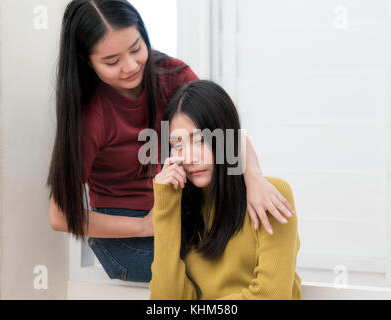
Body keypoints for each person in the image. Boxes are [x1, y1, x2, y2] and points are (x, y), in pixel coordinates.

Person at [47, 0, 295, 283]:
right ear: (84, 59)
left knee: (252, 246)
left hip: (183, 209)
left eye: (136, 48)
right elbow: (60, 216)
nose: (130, 66)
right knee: (212, 271)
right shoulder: (89, 116)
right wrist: (144, 225)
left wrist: (254, 179)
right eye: (112, 61)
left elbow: (222, 132)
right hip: (128, 229)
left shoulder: (171, 75)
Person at [150, 80, 301, 299]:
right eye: (178, 145)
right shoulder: (179, 205)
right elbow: (165, 300)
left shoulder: (271, 195)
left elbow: (270, 296)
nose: (190, 157)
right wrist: (165, 204)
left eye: (200, 140)